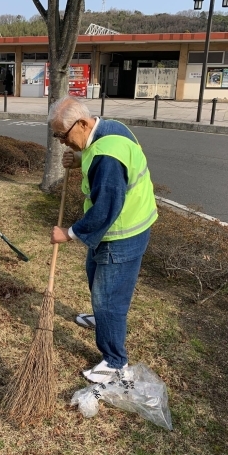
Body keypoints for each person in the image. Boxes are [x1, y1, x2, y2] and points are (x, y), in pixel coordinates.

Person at [48, 96, 158, 383]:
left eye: (63, 135)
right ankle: (103, 320)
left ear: (82, 123)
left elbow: (106, 208)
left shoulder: (107, 157)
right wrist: (80, 158)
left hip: (122, 233)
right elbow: (97, 154)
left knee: (109, 298)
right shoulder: (110, 128)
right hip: (120, 228)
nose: (61, 142)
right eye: (57, 136)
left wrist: (68, 233)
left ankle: (115, 362)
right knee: (96, 277)